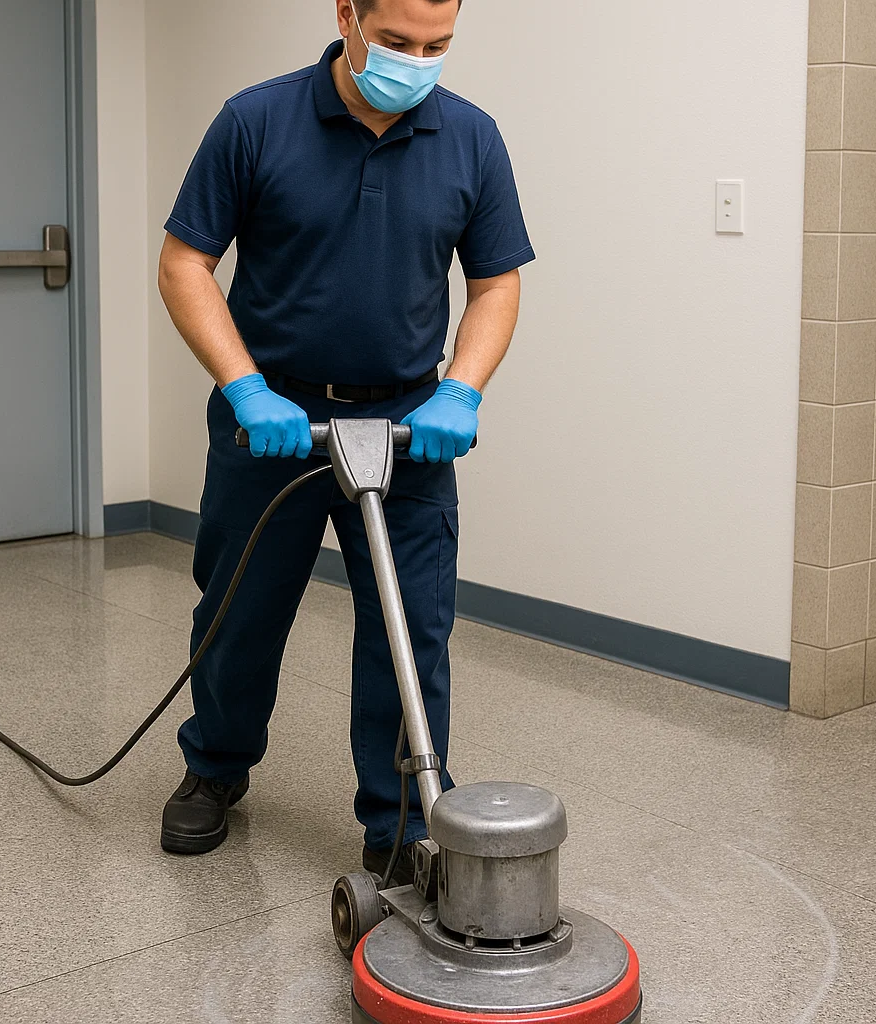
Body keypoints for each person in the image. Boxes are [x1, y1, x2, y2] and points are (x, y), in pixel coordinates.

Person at [156, 0, 534, 879]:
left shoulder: (471, 138)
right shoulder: (256, 120)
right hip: (276, 424)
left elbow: (495, 284)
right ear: (346, 16)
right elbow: (184, 263)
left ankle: (401, 821)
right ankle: (213, 767)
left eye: (438, 46)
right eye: (397, 42)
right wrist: (244, 387)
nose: (417, 61)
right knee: (239, 611)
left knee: (410, 629)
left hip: (407, 429)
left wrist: (461, 392)